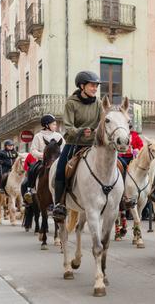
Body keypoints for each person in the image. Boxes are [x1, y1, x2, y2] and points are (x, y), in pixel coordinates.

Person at [52, 71, 103, 222]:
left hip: (93, 143)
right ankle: (59, 204)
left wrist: (96, 131)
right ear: (82, 86)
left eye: (96, 86)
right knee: (61, 169)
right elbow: (68, 127)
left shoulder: (99, 103)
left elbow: (101, 123)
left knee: (117, 164)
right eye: (92, 85)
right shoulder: (71, 103)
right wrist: (80, 131)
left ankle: (120, 199)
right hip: (74, 142)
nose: (95, 88)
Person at [25, 114, 64, 204]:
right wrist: (44, 155)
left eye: (55, 124)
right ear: (47, 125)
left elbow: (63, 148)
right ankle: (30, 190)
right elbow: (33, 150)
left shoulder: (59, 136)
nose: (55, 126)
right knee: (32, 169)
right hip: (43, 161)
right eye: (53, 124)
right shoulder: (38, 136)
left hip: (57, 161)